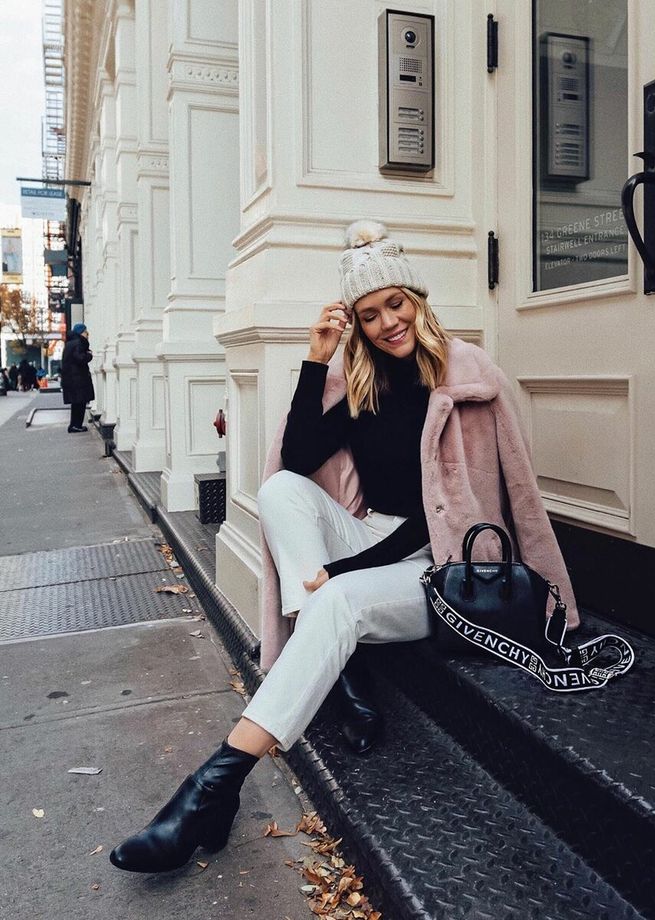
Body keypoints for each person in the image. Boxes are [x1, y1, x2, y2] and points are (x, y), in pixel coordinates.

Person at [109, 220, 579, 874]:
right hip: (372, 535)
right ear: (356, 323)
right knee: (280, 492)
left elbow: (483, 503)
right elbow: (299, 458)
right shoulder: (363, 383)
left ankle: (212, 790)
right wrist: (315, 359)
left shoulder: (468, 377)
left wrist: (343, 570)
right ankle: (339, 664)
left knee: (338, 599)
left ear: (416, 298)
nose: (388, 323)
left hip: (443, 564)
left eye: (396, 303)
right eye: (370, 314)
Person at [61, 323, 94, 433]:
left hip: (72, 378)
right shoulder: (78, 343)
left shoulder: (70, 343)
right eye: (85, 332)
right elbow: (80, 358)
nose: (87, 334)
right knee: (80, 403)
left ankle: (74, 425)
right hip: (78, 378)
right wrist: (89, 355)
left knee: (76, 403)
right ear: (80, 333)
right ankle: (76, 426)